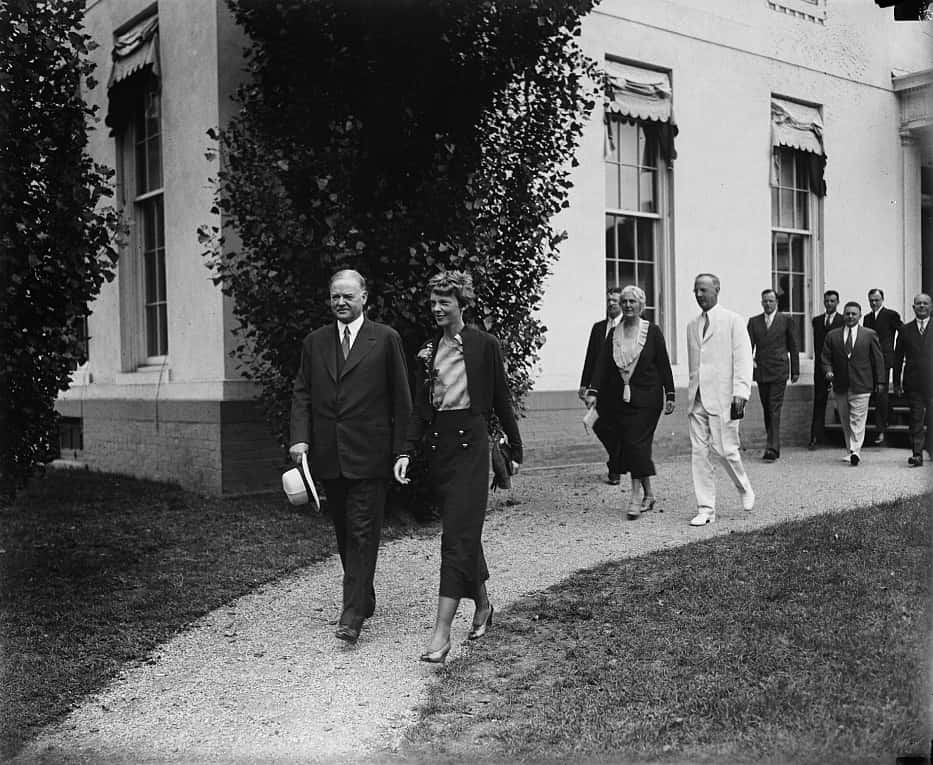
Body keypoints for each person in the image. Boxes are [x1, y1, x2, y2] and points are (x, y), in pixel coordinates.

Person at [393, 271, 522, 664]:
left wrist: (515, 447)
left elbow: (501, 396)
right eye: (432, 302)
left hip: (472, 446)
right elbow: (420, 408)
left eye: (443, 302)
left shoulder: (484, 345)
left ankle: (441, 633)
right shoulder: (428, 350)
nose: (436, 308)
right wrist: (405, 452)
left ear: (461, 304)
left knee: (455, 538)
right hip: (439, 449)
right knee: (462, 532)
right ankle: (482, 604)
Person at [289, 269, 412, 644]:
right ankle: (364, 595)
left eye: (348, 296)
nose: (341, 302)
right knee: (344, 531)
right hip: (329, 455)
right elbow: (302, 393)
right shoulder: (315, 342)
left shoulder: (385, 339)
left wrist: (403, 450)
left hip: (370, 455)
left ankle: (352, 614)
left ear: (364, 298)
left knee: (362, 531)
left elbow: (401, 399)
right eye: (335, 296)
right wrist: (299, 439)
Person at [586, 285, 675, 520]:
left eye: (632, 302)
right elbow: (602, 364)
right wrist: (593, 390)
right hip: (620, 399)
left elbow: (664, 364)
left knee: (636, 443)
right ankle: (649, 494)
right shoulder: (613, 333)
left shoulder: (652, 332)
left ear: (641, 305)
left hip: (648, 399)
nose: (627, 305)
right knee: (634, 445)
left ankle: (635, 498)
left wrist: (671, 394)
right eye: (624, 301)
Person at [686, 274, 755, 526]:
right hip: (697, 399)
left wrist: (741, 393)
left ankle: (744, 487)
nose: (699, 295)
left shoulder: (733, 321)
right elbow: (697, 364)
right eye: (696, 290)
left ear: (717, 289)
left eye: (703, 290)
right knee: (699, 454)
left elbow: (743, 359)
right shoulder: (692, 325)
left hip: (725, 398)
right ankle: (706, 509)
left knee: (726, 450)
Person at [820, 301, 885, 466]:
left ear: (860, 315)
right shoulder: (833, 336)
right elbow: (825, 357)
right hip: (840, 384)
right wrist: (828, 371)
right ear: (844, 315)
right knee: (845, 419)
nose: (850, 316)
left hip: (862, 383)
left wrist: (881, 381)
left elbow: (878, 360)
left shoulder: (869, 334)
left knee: (858, 418)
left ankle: (856, 450)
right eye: (847, 313)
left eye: (854, 314)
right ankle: (850, 450)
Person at [747, 288, 800, 462]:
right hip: (762, 370)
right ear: (761, 302)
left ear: (776, 302)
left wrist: (795, 370)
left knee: (774, 407)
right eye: (765, 301)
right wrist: (749, 365)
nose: (767, 304)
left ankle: (772, 448)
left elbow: (793, 346)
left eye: (771, 301)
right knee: (767, 409)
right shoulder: (754, 322)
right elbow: (747, 348)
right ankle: (773, 443)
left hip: (779, 370)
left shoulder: (786, 320)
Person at [579, 287, 623, 484]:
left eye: (615, 300)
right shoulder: (598, 328)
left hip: (621, 387)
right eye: (609, 300)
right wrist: (584, 384)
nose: (611, 303)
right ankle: (617, 457)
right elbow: (590, 358)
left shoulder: (627, 326)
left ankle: (615, 467)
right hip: (599, 387)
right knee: (597, 424)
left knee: (616, 426)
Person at [893, 293, 933, 467]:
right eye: (918, 303)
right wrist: (896, 383)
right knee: (916, 419)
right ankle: (917, 454)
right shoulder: (904, 330)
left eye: (925, 303)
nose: (922, 306)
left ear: (931, 307)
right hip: (913, 382)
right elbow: (897, 357)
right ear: (913, 307)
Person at [863, 288, 902, 445]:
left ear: (882, 299)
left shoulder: (891, 315)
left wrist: (896, 351)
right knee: (875, 393)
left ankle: (880, 430)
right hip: (869, 359)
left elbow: (903, 331)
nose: (874, 303)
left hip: (884, 359)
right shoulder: (867, 318)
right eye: (871, 300)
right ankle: (888, 416)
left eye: (876, 300)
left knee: (881, 392)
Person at [809, 290, 844, 449]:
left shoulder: (844, 320)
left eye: (832, 301)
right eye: (827, 301)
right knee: (819, 401)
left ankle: (847, 439)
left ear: (837, 302)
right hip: (820, 368)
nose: (829, 303)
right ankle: (816, 436)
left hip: (839, 367)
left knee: (843, 402)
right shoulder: (816, 321)